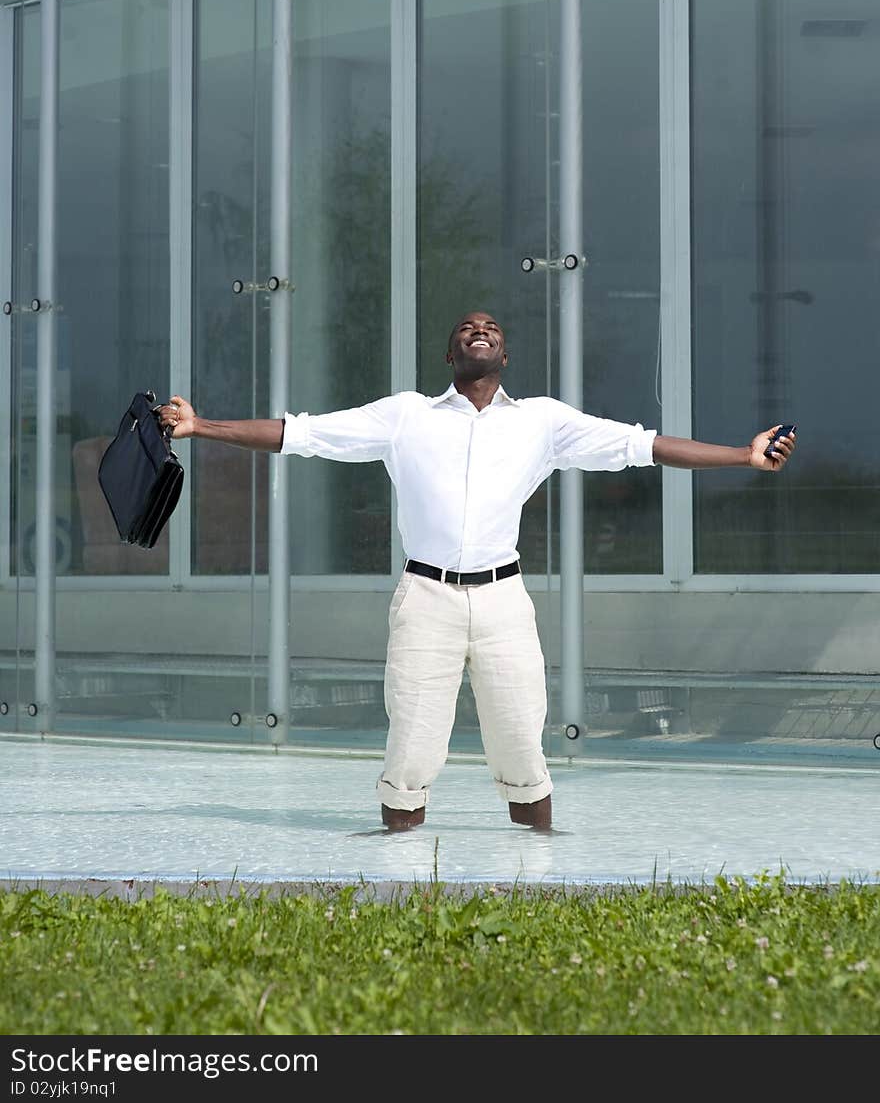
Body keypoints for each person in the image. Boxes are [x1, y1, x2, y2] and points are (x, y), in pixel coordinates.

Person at [158, 311, 796, 833]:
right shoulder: (406, 415)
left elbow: (644, 446)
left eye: (490, 326)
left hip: (503, 604)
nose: (478, 328)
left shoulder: (542, 422)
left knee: (522, 743)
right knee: (411, 749)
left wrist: (743, 455)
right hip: (425, 600)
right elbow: (299, 433)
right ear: (450, 355)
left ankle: (544, 870)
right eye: (464, 326)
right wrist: (200, 426)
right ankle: (394, 872)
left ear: (505, 356)